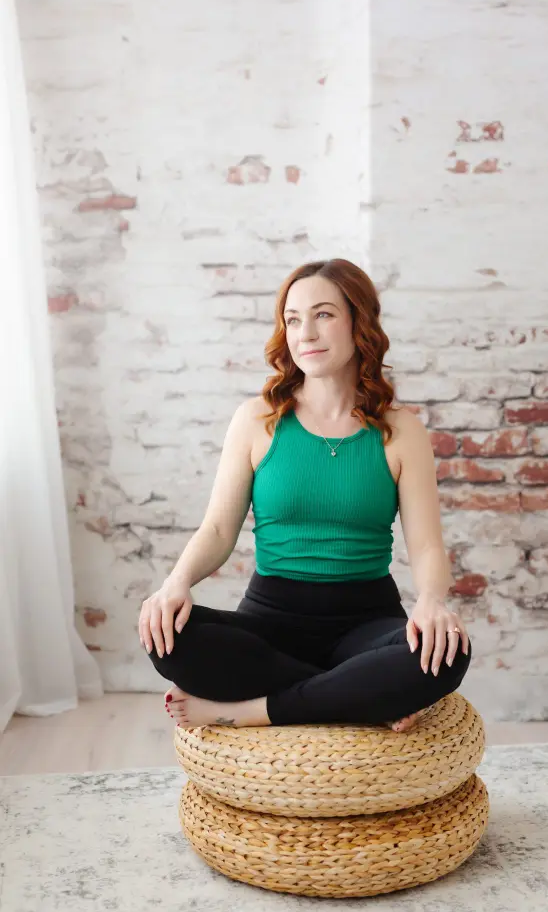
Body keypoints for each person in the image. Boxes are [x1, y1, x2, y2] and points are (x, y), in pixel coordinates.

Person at [138, 258, 472, 733]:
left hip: (367, 620)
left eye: (323, 315)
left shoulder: (402, 431)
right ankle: (357, 695)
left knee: (449, 650)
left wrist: (432, 601)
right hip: (271, 621)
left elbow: (425, 545)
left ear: (360, 322)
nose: (305, 333)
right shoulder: (257, 420)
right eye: (292, 320)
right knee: (168, 636)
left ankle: (260, 710)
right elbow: (216, 529)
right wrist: (176, 583)